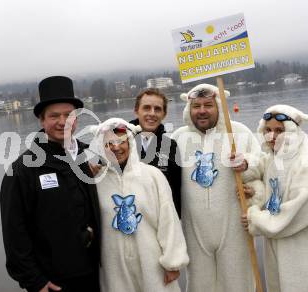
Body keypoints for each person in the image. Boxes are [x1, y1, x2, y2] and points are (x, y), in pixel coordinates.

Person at [0, 76, 100, 292]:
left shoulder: (85, 158)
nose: (63, 122)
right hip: (53, 282)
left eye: (69, 115)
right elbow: (14, 233)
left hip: (93, 273)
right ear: (41, 121)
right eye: (54, 116)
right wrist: (34, 281)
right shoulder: (21, 170)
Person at [171, 83, 261, 292]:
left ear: (219, 106)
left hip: (234, 229)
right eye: (196, 106)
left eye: (208, 105)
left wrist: (247, 164)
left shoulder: (238, 132)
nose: (202, 110)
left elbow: (263, 165)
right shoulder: (177, 138)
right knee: (200, 285)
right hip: (195, 232)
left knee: (238, 283)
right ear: (188, 109)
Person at [240, 104, 308, 292]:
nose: (272, 136)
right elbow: (262, 169)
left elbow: (296, 212)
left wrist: (255, 218)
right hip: (278, 247)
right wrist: (246, 166)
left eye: (279, 130)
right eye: (267, 130)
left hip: (305, 253)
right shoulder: (276, 156)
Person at [88, 118, 189, 292]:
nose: (116, 148)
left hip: (153, 263)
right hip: (115, 268)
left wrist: (172, 262)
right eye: (109, 143)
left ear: (130, 142)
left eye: (121, 142)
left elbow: (169, 220)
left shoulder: (152, 176)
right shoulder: (95, 181)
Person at [129, 88, 182, 217]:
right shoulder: (119, 143)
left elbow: (177, 189)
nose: (152, 113)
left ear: (164, 114)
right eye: (146, 108)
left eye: (157, 109)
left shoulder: (170, 146)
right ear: (137, 111)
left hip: (163, 219)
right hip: (132, 220)